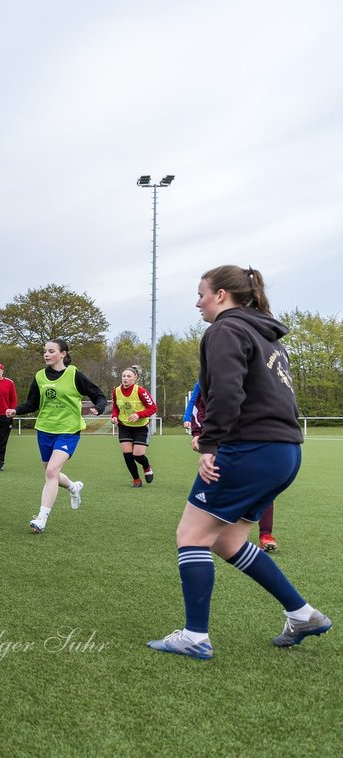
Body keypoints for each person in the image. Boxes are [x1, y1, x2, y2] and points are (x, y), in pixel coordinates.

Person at [148, 265, 329, 660]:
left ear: (222, 296)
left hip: (250, 449)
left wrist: (210, 445)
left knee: (191, 536)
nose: (197, 302)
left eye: (201, 294)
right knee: (228, 540)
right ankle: (302, 614)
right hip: (284, 453)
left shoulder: (224, 331)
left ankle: (195, 636)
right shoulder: (268, 337)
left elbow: (228, 391)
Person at [6, 338, 106, 534]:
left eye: (51, 351)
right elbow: (33, 403)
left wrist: (98, 408)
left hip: (68, 431)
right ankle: (73, 487)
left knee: (51, 472)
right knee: (51, 473)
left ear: (63, 354)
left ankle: (41, 518)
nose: (46, 354)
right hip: (44, 430)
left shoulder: (74, 374)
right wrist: (15, 410)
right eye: (45, 351)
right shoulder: (40, 376)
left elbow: (99, 395)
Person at [187, 381, 280, 552]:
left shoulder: (254, 371)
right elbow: (198, 407)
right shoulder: (209, 375)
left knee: (263, 485)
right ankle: (210, 527)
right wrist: (197, 433)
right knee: (216, 479)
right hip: (220, 438)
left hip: (253, 436)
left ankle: (265, 534)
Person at [110, 365, 157, 486]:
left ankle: (146, 467)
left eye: (129, 376)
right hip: (124, 426)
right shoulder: (116, 391)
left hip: (141, 428)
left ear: (135, 378)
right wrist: (114, 416)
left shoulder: (140, 391)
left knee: (138, 454)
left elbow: (153, 408)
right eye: (123, 376)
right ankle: (136, 479)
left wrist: (139, 414)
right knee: (127, 454)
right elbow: (115, 406)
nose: (125, 378)